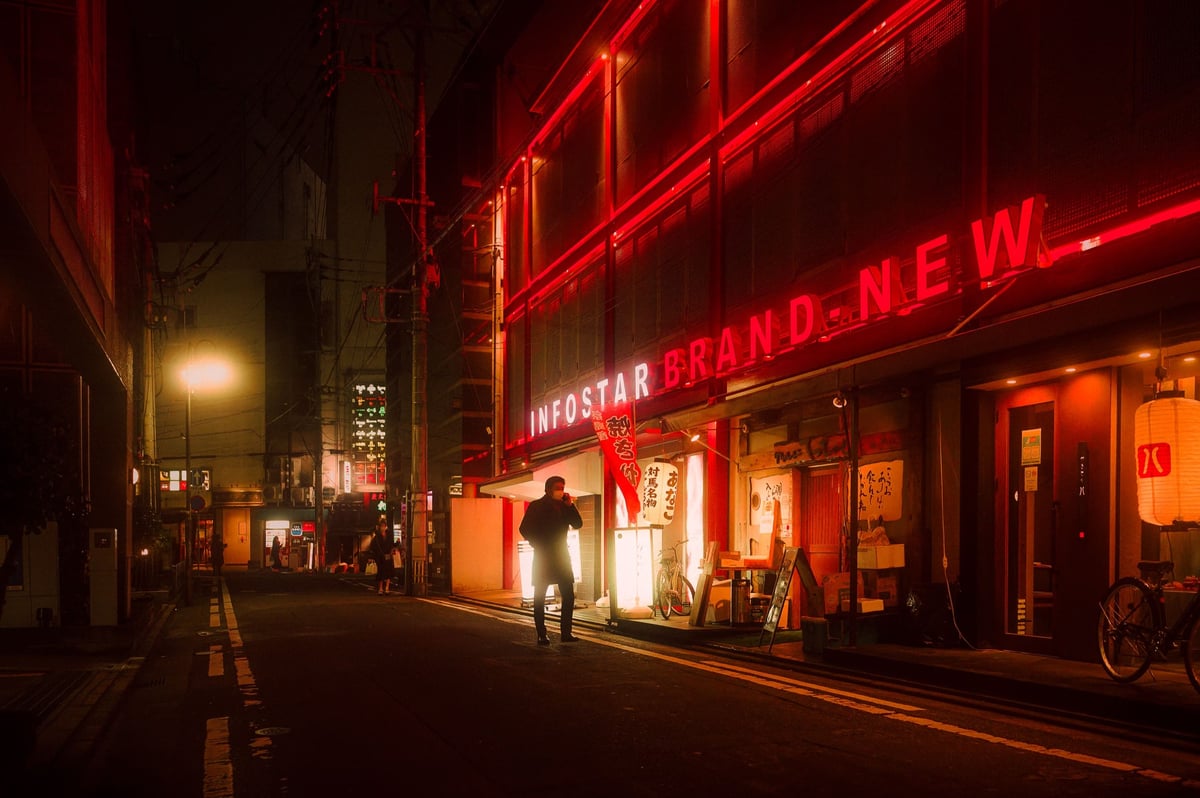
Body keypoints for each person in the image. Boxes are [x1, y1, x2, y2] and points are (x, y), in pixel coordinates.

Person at [519, 476, 583, 645]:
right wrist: (538, 544)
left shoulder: (565, 506)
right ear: (547, 489)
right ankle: (542, 634)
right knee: (539, 596)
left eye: (563, 487)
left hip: (562, 556)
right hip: (543, 556)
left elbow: (578, 524)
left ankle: (566, 632)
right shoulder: (536, 506)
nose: (560, 490)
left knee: (568, 595)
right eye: (557, 487)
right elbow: (524, 528)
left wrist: (570, 506)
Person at [369, 519, 395, 595]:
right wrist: (373, 556)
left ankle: (387, 587)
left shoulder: (389, 535)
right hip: (380, 557)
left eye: (384, 526)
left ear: (386, 527)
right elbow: (373, 547)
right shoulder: (376, 537)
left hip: (388, 556)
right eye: (381, 526)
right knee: (381, 572)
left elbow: (392, 545)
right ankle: (380, 588)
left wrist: (392, 550)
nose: (383, 528)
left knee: (388, 572)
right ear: (379, 527)